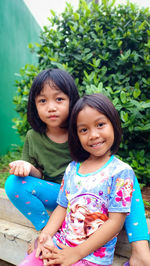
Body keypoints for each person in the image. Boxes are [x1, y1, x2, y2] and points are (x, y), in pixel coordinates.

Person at [5, 70, 150, 265]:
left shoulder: (116, 168)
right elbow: (61, 200)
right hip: (61, 197)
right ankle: (46, 231)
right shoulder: (44, 144)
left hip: (91, 216)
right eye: (42, 101)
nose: (51, 107)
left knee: (125, 178)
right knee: (14, 183)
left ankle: (141, 250)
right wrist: (46, 233)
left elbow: (115, 213)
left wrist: (77, 251)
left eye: (59, 99)